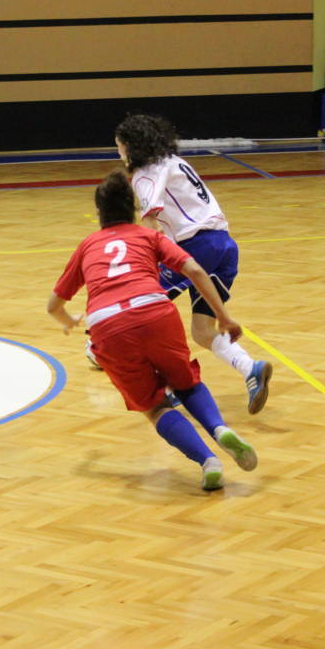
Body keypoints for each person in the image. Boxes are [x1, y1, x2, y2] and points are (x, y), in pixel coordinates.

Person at [48, 171, 259, 490]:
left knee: (155, 406)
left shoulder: (88, 245)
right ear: (133, 207)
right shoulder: (149, 236)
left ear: (99, 213)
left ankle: (207, 461)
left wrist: (69, 320)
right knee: (186, 383)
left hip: (108, 325)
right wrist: (223, 316)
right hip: (155, 311)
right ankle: (219, 429)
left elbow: (53, 305)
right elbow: (195, 270)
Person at [112, 113, 272, 415]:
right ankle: (250, 368)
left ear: (132, 146)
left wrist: (146, 261)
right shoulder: (174, 161)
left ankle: (163, 385)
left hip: (196, 246)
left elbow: (151, 221)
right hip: (225, 246)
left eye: (119, 146)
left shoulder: (145, 174)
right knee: (201, 330)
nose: (118, 152)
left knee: (138, 309)